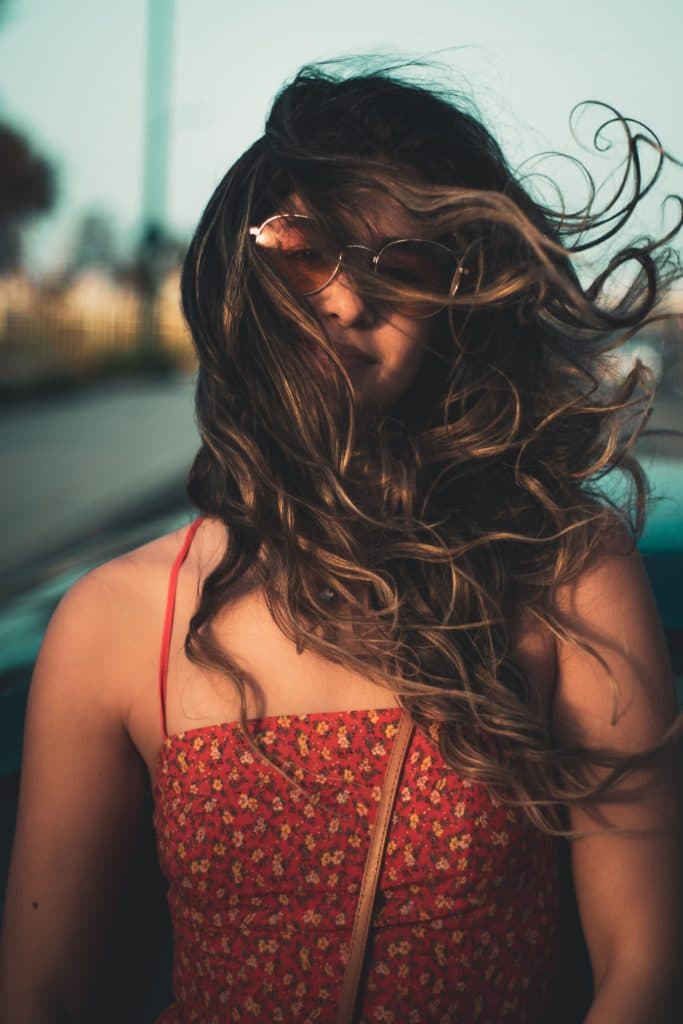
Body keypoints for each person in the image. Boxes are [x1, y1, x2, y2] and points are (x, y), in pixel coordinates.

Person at [1, 58, 682, 1024]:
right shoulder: (112, 625)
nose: (344, 300)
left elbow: (643, 971)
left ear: (459, 303)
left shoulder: (562, 572)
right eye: (301, 249)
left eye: (400, 264)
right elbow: (41, 993)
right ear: (238, 272)